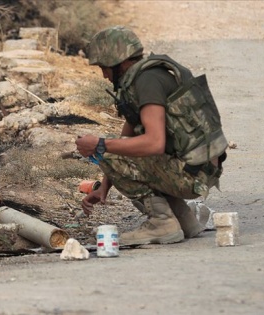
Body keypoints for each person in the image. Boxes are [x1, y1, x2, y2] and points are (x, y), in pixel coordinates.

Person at [75, 26, 228, 246]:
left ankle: (162, 223)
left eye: (104, 68)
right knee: (114, 147)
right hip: (199, 170)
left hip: (191, 176)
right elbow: (126, 140)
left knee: (107, 148)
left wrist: (99, 144)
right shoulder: (147, 77)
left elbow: (154, 144)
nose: (104, 76)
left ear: (117, 62)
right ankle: (184, 219)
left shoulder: (146, 82)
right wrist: (104, 186)